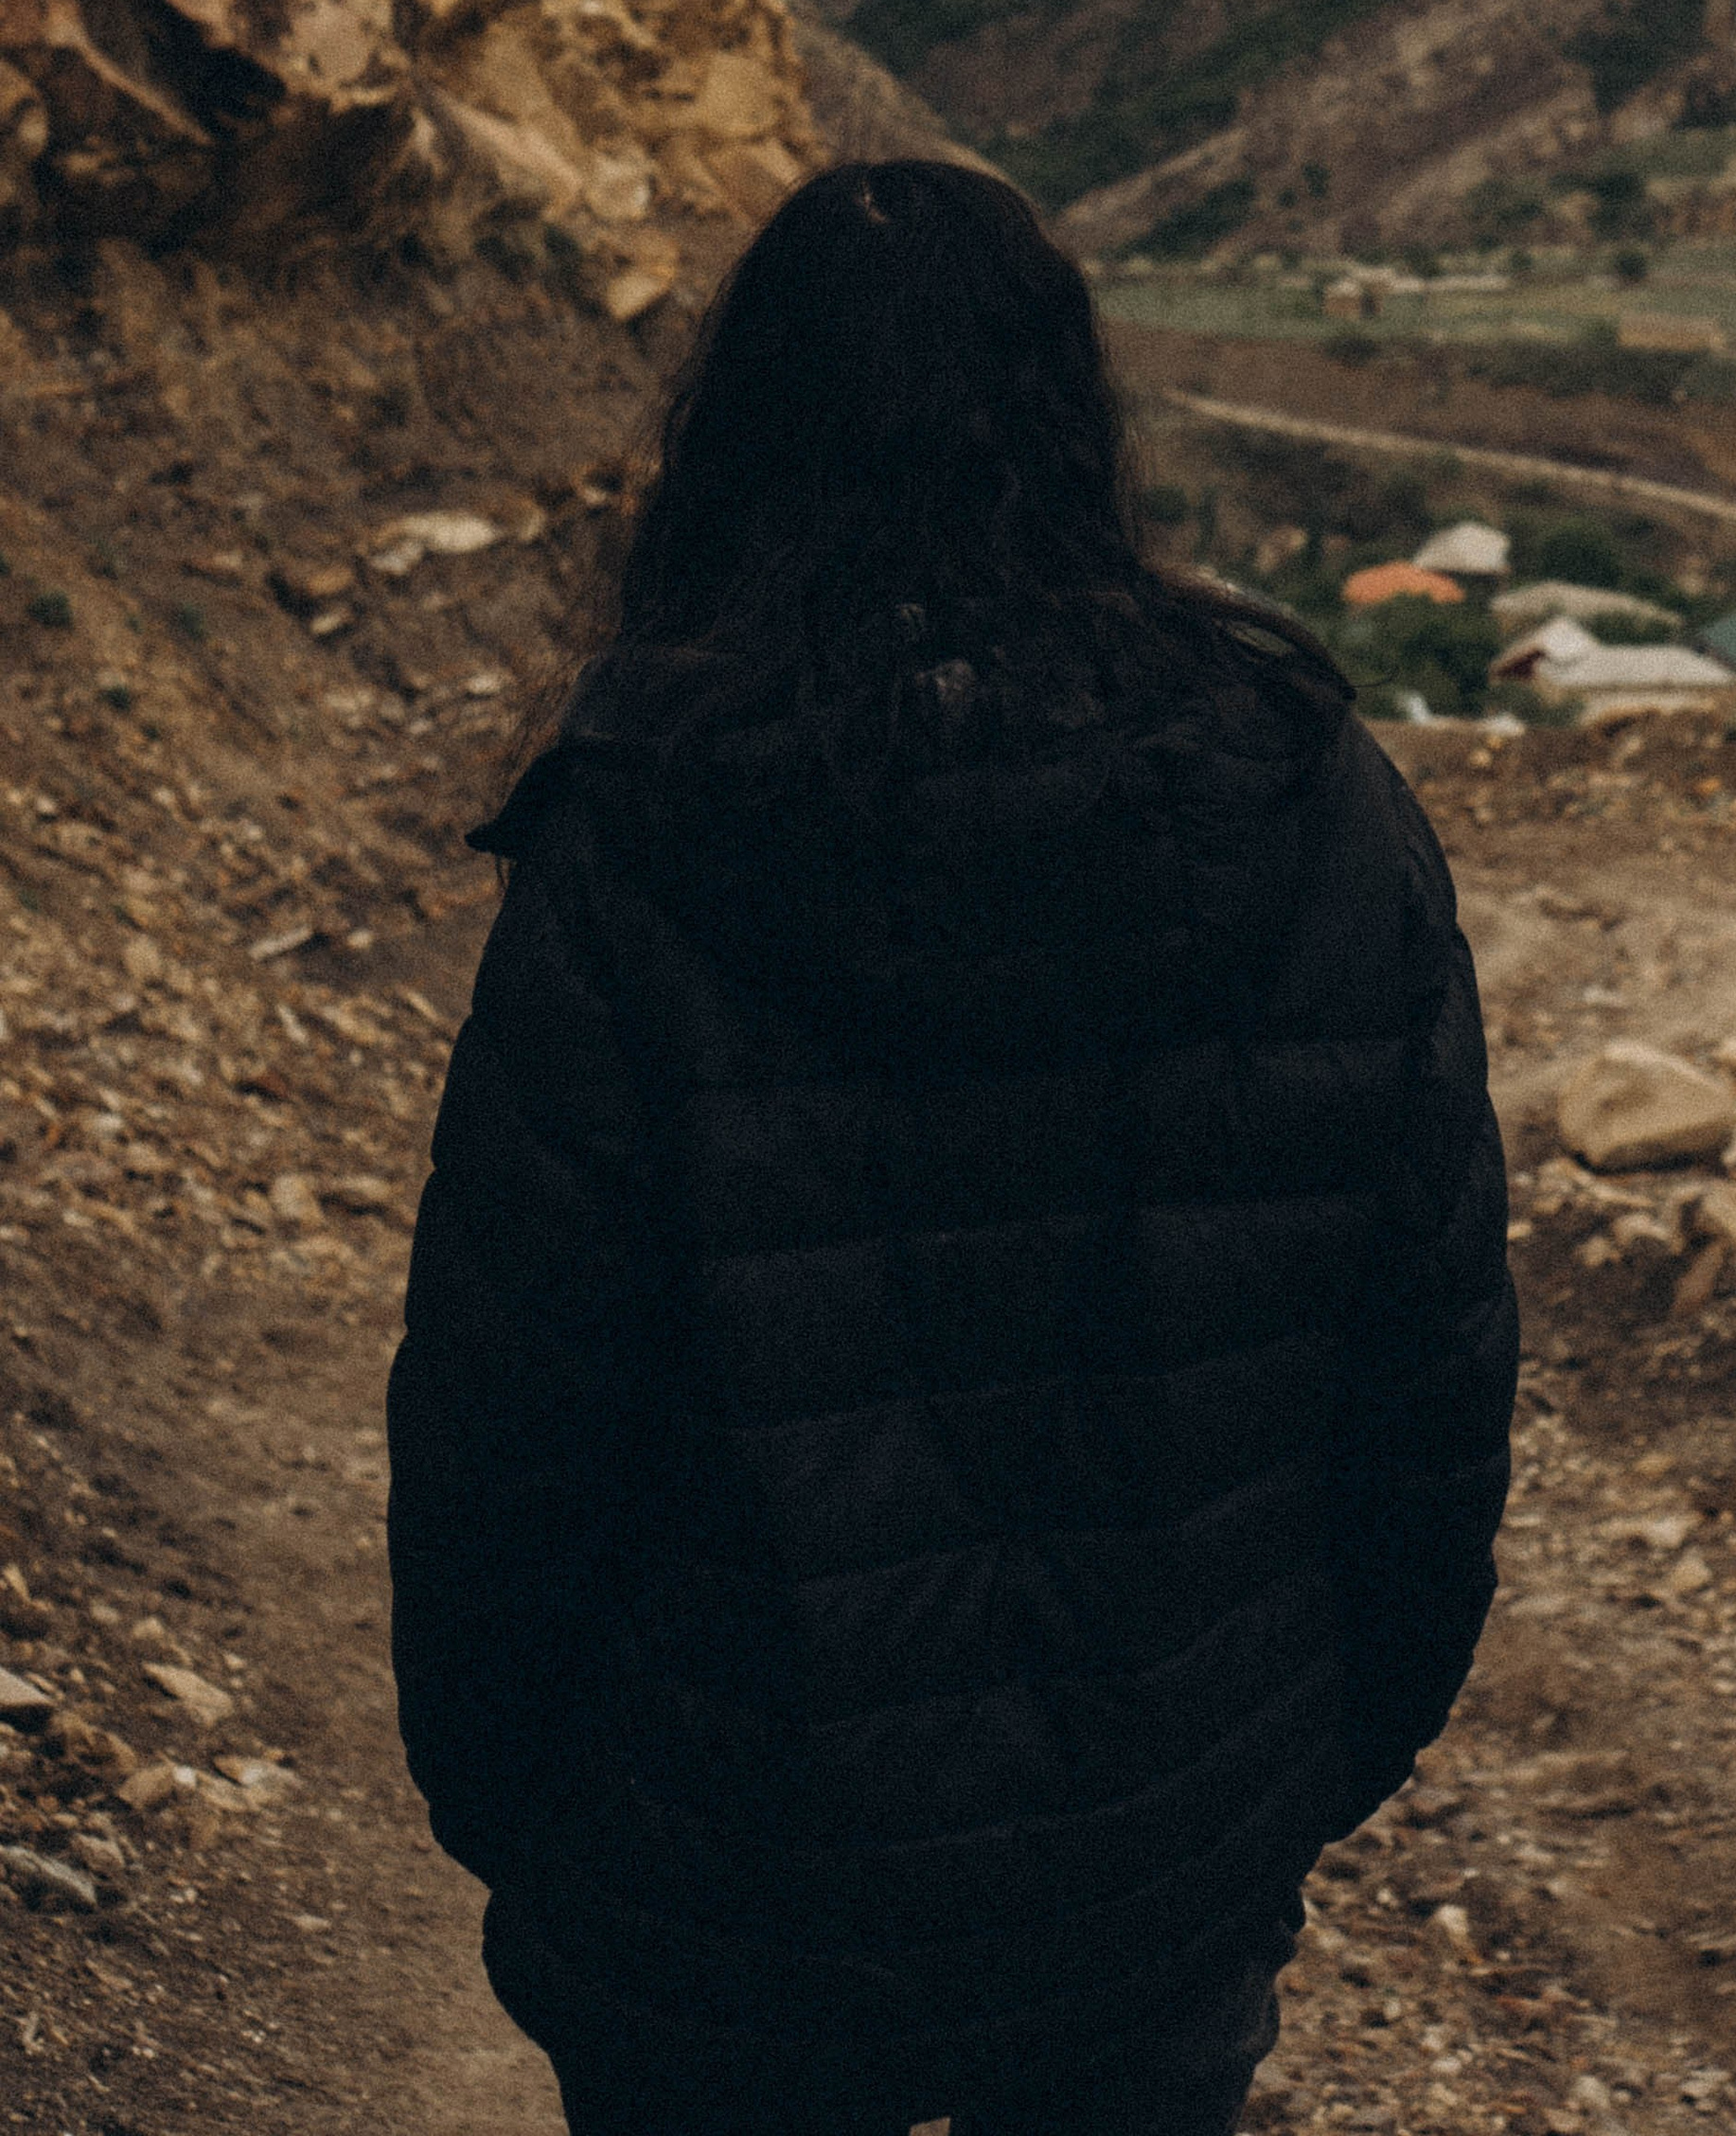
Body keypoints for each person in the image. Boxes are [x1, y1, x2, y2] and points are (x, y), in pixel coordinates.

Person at [386, 160, 1517, 2135]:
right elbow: (1427, 1372)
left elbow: (509, 1405)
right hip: (1156, 1864)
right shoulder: (1312, 803)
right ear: (1072, 421)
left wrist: (522, 1817)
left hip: (721, 1874)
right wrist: (1294, 1775)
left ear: (739, 437)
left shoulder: (639, 829)